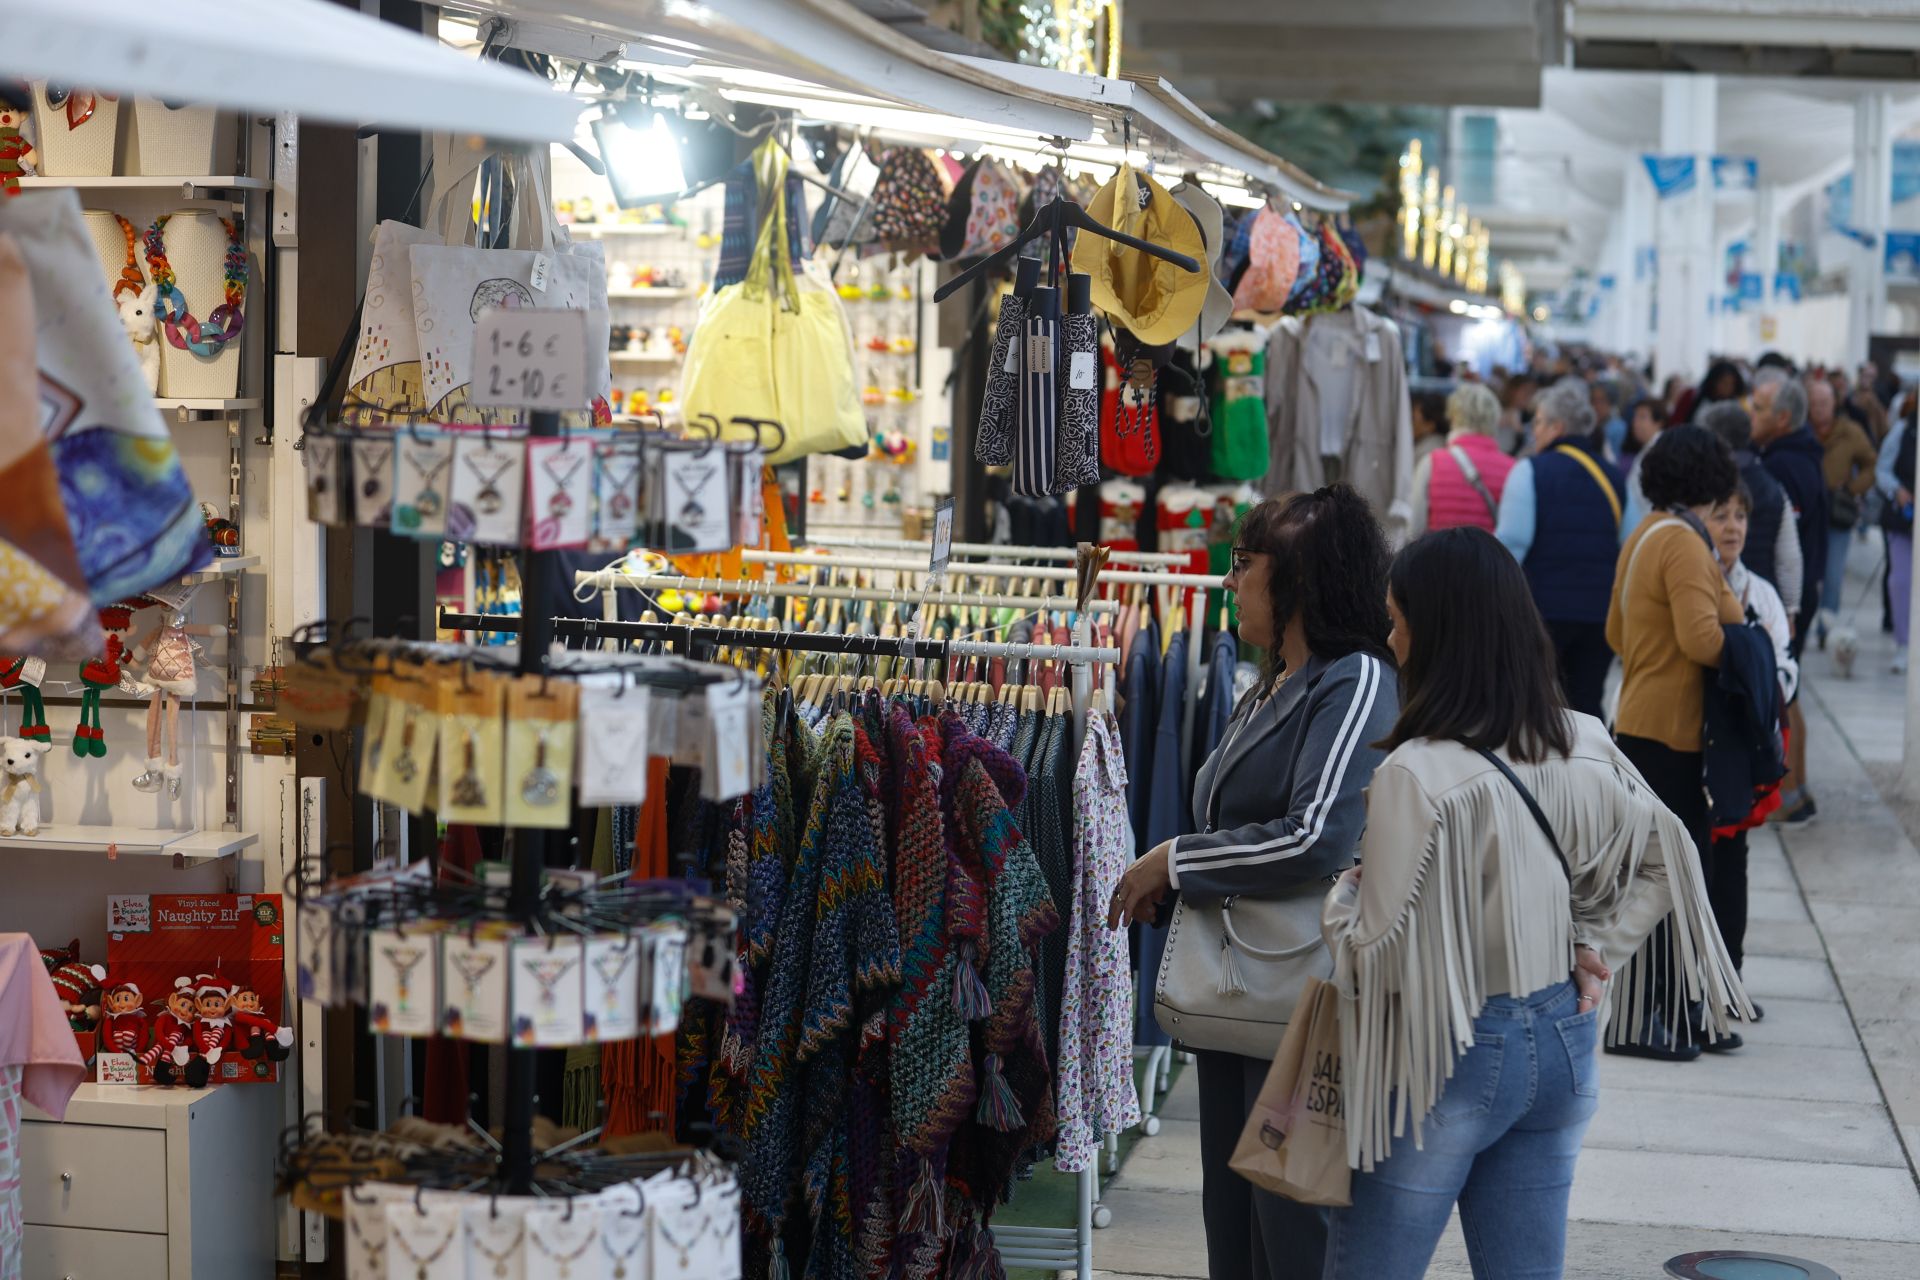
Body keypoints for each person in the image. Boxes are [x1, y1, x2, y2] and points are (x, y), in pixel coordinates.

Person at [1319, 526, 1747, 1279]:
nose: (1391, 638)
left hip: (1445, 1054)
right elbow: (1668, 855)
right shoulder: (1582, 740)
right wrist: (1598, 948)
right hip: (1561, 1039)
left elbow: (1372, 957)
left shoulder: (1415, 774)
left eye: (1397, 617)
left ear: (1437, 629)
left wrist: (1342, 899)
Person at [1107, 485, 1399, 1280]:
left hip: (1301, 995)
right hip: (1246, 990)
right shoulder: (1277, 681)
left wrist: (1175, 861)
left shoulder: (1354, 679)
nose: (1231, 583)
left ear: (1301, 576)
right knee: (1235, 1226)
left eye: (1244, 565)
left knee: (1289, 1230)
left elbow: (1317, 834)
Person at [1605, 424, 1746, 1061]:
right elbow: (1702, 640)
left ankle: (1667, 1011)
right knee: (1678, 879)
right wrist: (1746, 640)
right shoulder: (1687, 544)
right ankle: (1655, 1018)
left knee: (1651, 873)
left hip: (1636, 721)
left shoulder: (1643, 533)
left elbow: (1614, 631)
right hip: (1678, 731)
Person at [1703, 482, 1798, 1002]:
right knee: (1695, 861)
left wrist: (1762, 686)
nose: (1733, 526)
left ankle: (1729, 978)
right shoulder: (1693, 582)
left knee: (1733, 861)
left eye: (1740, 515)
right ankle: (1690, 980)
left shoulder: (1759, 593)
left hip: (1741, 744)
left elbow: (1785, 662)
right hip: (1698, 743)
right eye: (1721, 515)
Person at [1494, 377, 1625, 719]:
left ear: (1557, 425)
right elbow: (1629, 545)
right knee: (1585, 707)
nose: (1532, 430)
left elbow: (1511, 545)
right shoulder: (1613, 477)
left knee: (1529, 704)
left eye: (1537, 421)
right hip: (1599, 615)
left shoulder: (1530, 472)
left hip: (1542, 612)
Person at [1750, 368, 1828, 824]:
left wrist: (1788, 607)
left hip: (1786, 600)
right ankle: (1795, 790)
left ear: (1781, 417)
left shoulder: (1785, 466)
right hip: (1790, 599)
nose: (1752, 415)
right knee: (1789, 692)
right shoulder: (1791, 454)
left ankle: (1793, 794)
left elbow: (1788, 549)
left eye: (1759, 409)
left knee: (1788, 694)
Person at [1698, 401, 1803, 614]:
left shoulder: (1701, 486)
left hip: (1708, 600)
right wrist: (1790, 608)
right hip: (1763, 602)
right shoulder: (1772, 487)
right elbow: (1789, 558)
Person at [1810, 378, 1879, 640]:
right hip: (1806, 511)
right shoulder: (1800, 430)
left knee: (1833, 574)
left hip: (1837, 511)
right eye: (1814, 403)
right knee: (1803, 571)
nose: (1819, 408)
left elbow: (1872, 464)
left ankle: (1827, 626)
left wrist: (1852, 488)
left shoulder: (1850, 431)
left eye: (1824, 403)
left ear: (1834, 403)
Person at [1407, 382, 1515, 537]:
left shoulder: (1431, 462)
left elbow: (1415, 529)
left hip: (1438, 558)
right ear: (1494, 418)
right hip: (1488, 560)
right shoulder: (1512, 469)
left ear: (1453, 416)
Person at [1877, 398, 1915, 674]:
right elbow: (1882, 469)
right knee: (1901, 582)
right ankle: (1904, 643)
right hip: (1904, 519)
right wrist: (1898, 491)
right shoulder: (1903, 430)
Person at [1411, 389, 1448, 472]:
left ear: (1430, 425)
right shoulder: (1444, 444)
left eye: (1413, 418)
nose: (1408, 423)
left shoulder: (1425, 452)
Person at [1593, 376, 1627, 458]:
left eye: (1601, 401)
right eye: (1593, 400)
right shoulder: (1592, 424)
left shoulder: (1617, 427)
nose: (1596, 406)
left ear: (1610, 402)